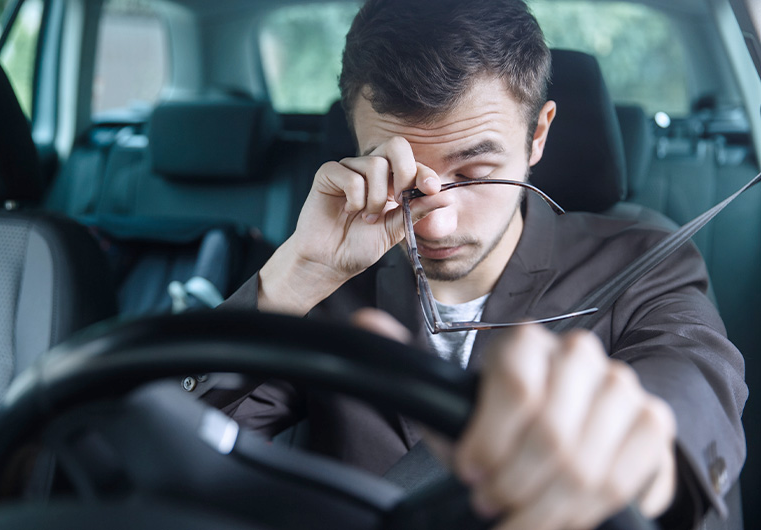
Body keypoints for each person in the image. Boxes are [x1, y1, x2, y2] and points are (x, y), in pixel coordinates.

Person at [197, 0, 747, 528]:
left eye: (478, 174)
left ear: (537, 134)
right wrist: (297, 275)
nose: (434, 225)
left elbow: (692, 388)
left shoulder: (644, 260)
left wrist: (637, 456)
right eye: (403, 180)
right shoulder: (330, 286)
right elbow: (167, 437)